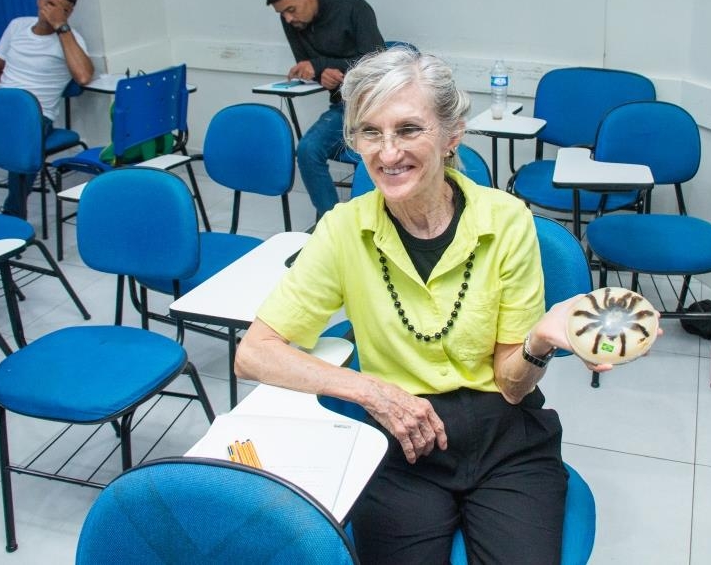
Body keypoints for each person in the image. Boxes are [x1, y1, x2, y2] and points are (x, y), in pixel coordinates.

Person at [236, 47, 611, 564]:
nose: (388, 153)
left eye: (409, 129)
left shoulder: (507, 221)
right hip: (402, 438)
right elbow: (254, 353)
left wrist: (539, 341)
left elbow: (511, 383)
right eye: (370, 132)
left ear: (452, 135)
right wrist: (370, 391)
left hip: (505, 435)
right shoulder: (342, 230)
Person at [266, 0, 385, 220]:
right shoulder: (292, 21)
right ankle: (334, 224)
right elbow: (307, 65)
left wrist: (323, 66)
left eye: (291, 10)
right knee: (307, 150)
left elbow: (377, 62)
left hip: (375, 104)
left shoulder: (353, 7)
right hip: (343, 106)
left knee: (373, 154)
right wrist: (318, 72)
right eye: (281, 13)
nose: (288, 19)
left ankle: (353, 224)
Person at [0, 0, 94, 219]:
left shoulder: (71, 40)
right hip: (0, 104)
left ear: (69, 13)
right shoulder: (17, 26)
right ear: (40, 0)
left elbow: (83, 76)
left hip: (35, 114)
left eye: (62, 9)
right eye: (50, 3)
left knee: (23, 139)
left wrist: (61, 27)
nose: (52, 12)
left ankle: (13, 214)